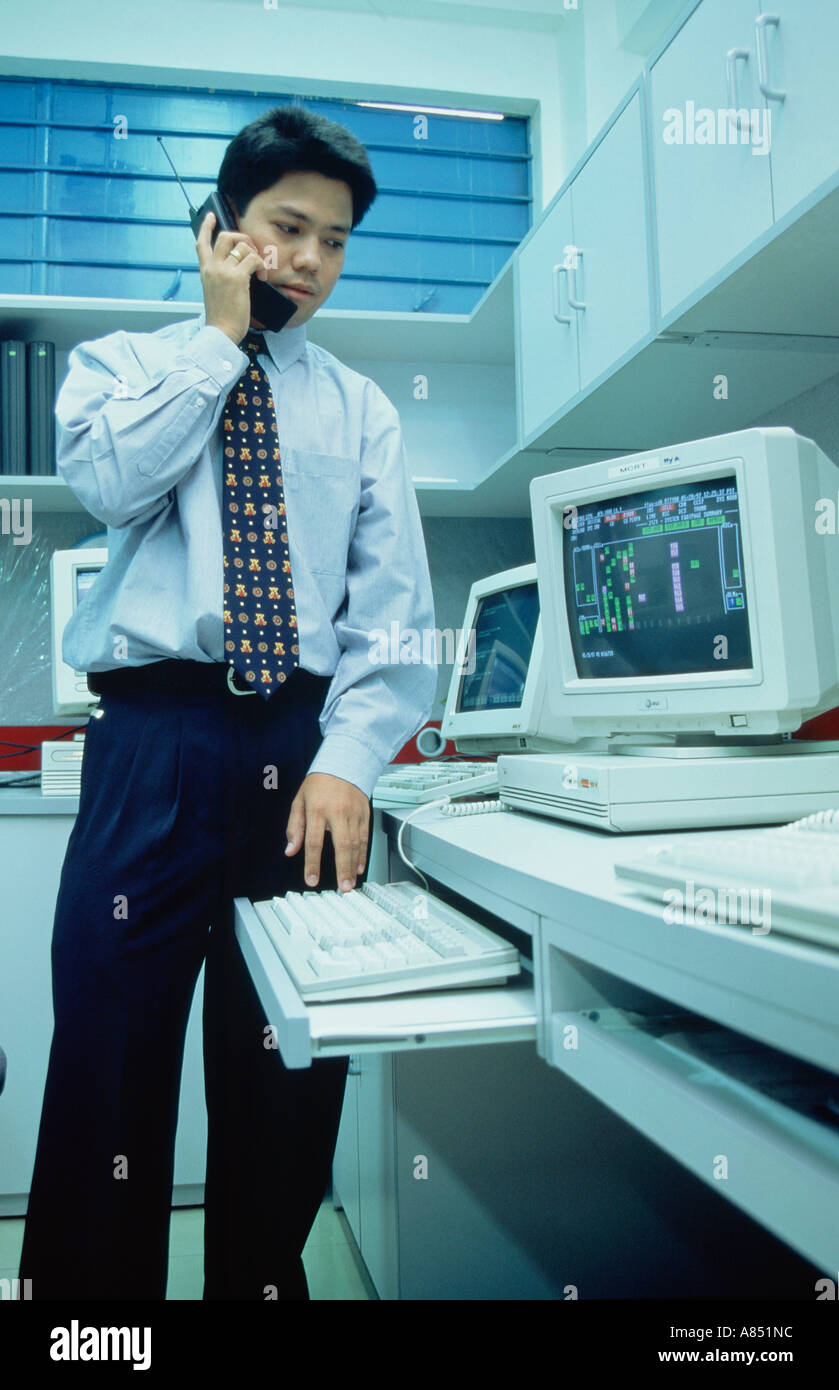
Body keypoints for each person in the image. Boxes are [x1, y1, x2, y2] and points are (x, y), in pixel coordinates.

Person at [19, 105, 437, 1301]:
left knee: (286, 1064)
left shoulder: (363, 410)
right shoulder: (125, 366)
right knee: (109, 1055)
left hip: (301, 752)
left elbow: (396, 614)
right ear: (223, 229)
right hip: (152, 740)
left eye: (335, 241)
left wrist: (352, 757)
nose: (308, 261)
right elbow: (105, 483)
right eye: (285, 228)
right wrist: (215, 342)